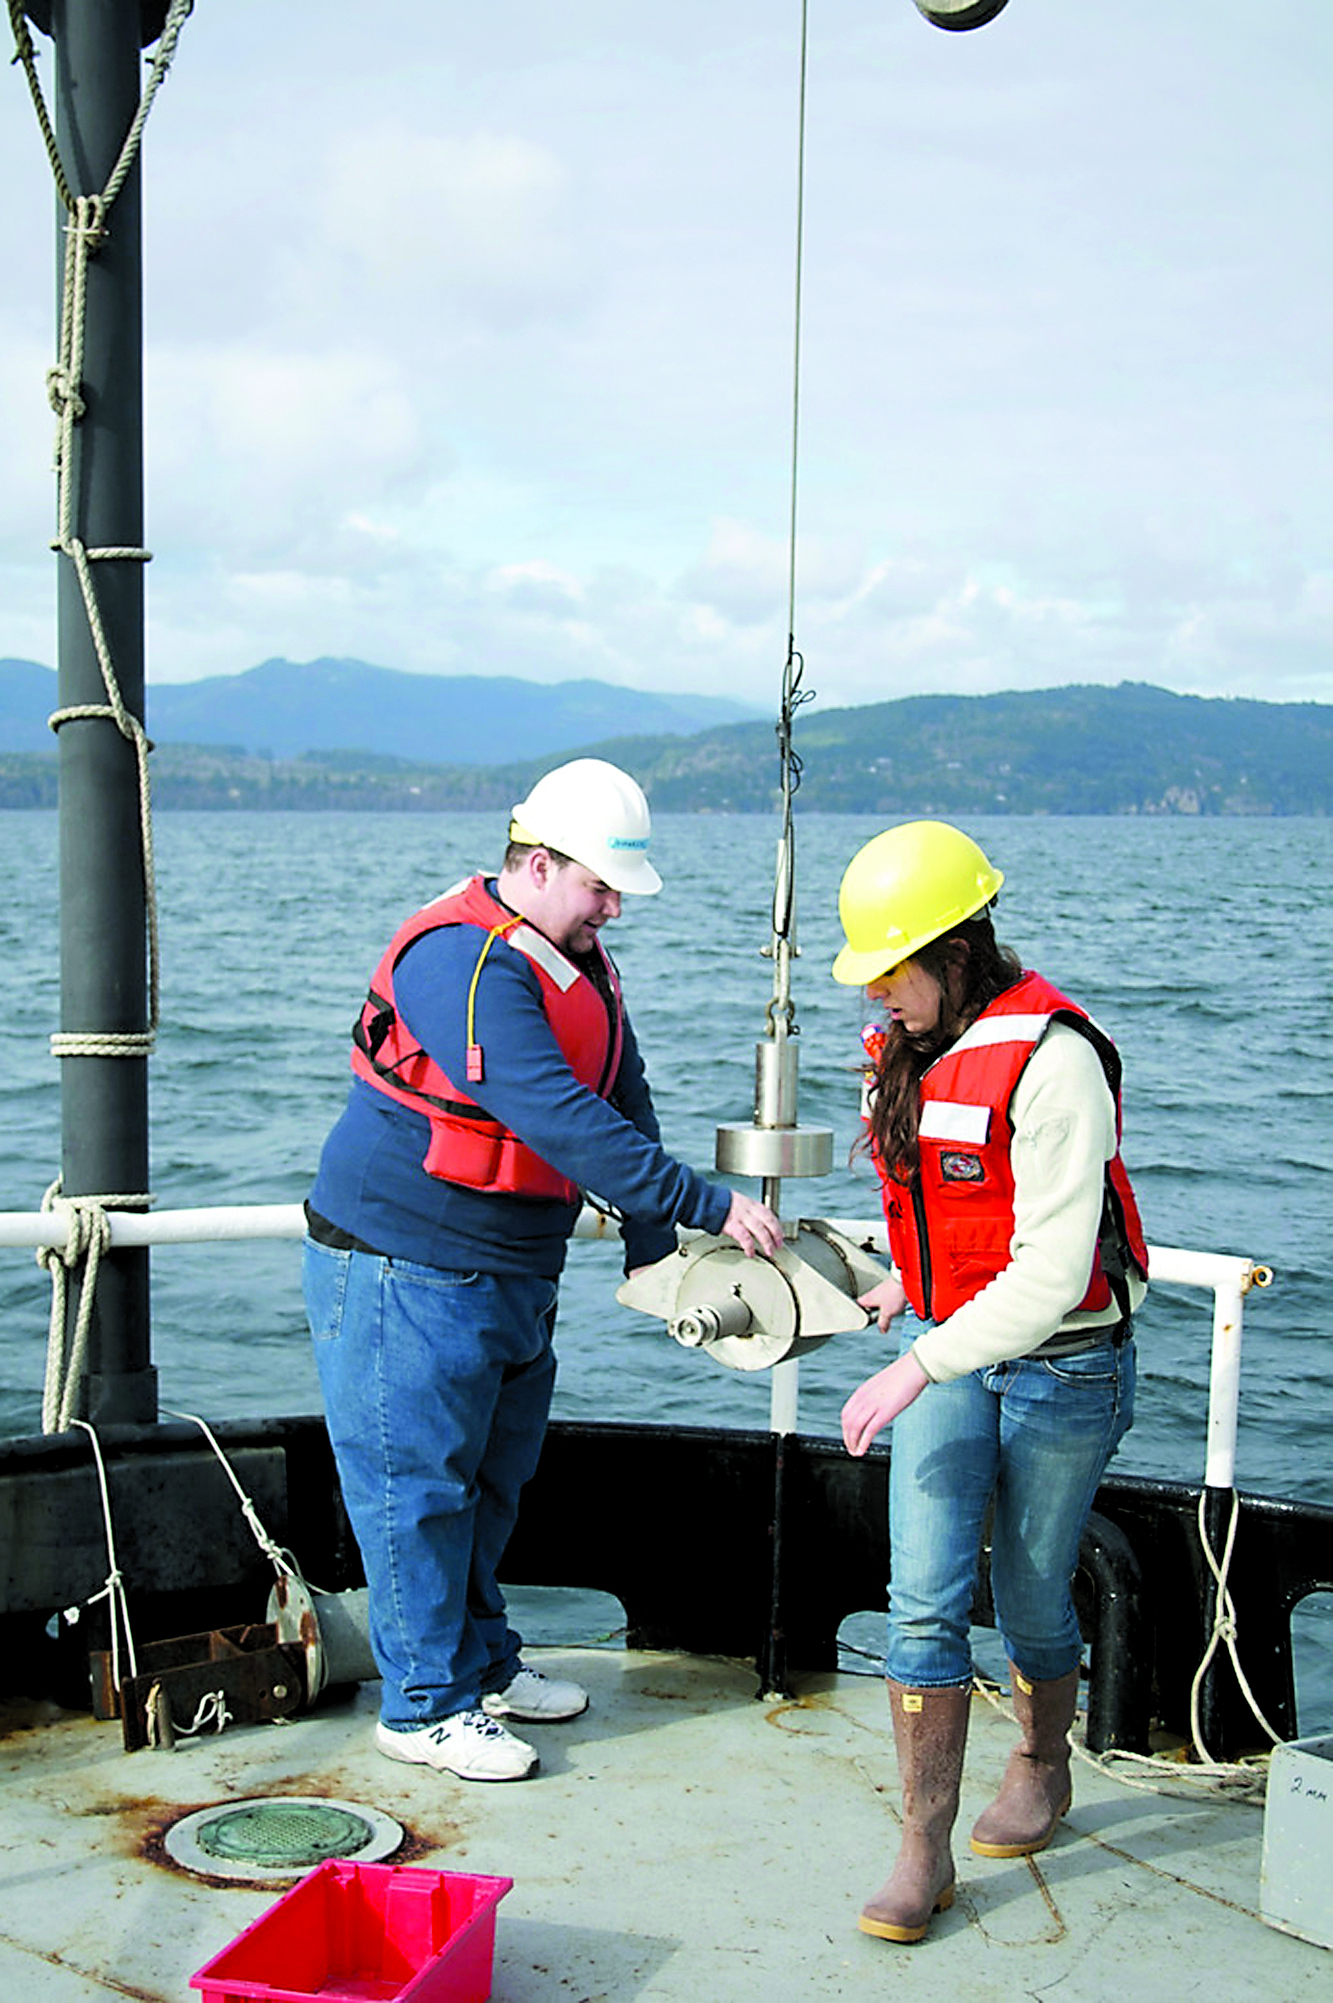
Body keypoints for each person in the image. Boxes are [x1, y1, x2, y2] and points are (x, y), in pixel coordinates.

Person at [303, 757, 782, 1783]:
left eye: (617, 890)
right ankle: (422, 1704)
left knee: (492, 1479)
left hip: (515, 1271)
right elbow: (553, 1112)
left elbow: (621, 1089)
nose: (613, 907)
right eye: (600, 885)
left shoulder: (579, 956)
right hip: (405, 1266)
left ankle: (479, 1663)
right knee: (416, 1489)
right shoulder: (458, 961)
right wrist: (706, 1203)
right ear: (534, 861)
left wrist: (661, 1249)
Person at [830, 820, 1147, 1942]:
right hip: (952, 1352)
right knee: (921, 1599)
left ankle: (1042, 1761)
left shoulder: (1057, 1060)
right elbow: (949, 1213)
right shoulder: (912, 1051)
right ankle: (921, 1851)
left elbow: (1056, 1270)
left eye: (890, 969)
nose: (875, 993)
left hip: (1062, 1365)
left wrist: (912, 1361)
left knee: (1024, 1595)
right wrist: (897, 1289)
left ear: (954, 950)